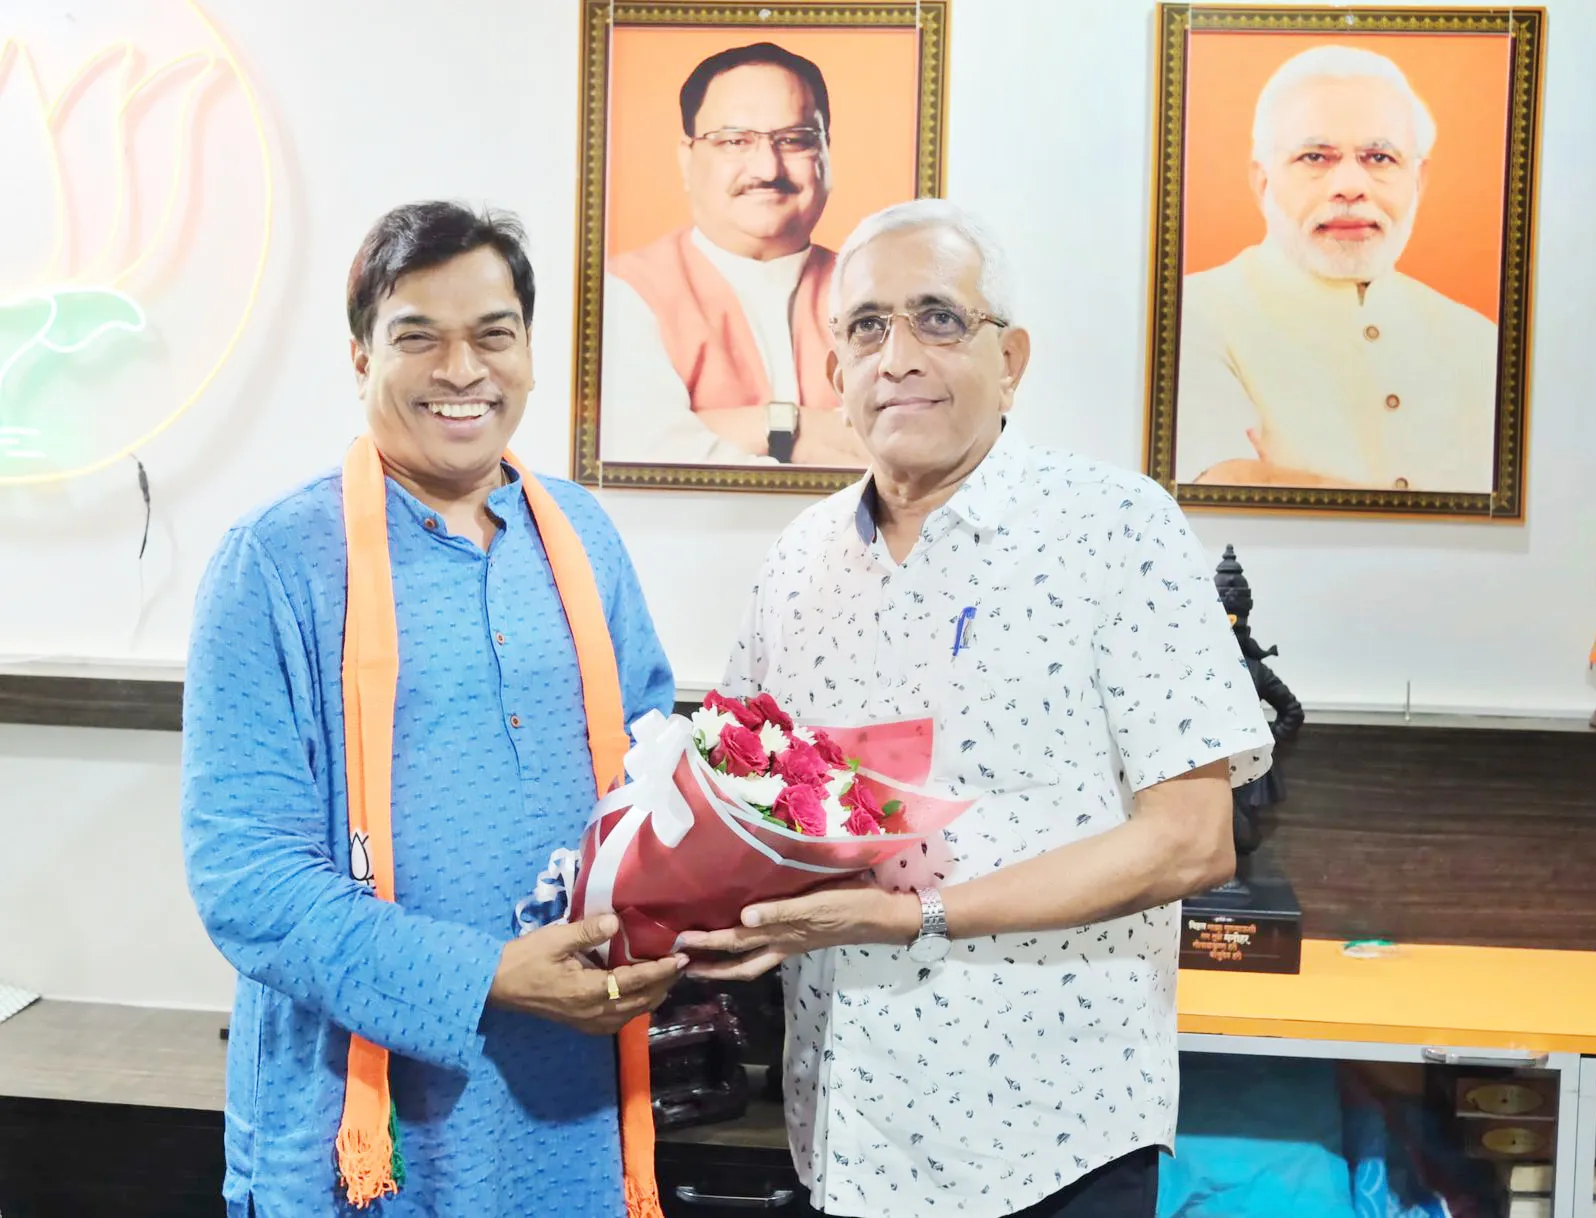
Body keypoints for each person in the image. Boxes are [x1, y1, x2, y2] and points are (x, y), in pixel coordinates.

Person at [679, 199, 1277, 1218]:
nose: (898, 356)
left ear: (1011, 360)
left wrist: (913, 918)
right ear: (833, 371)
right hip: (848, 1133)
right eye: (867, 326)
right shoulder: (799, 561)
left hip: (1053, 1140)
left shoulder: (1115, 528)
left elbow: (1190, 842)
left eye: (938, 319)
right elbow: (744, 803)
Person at [180, 201, 687, 1218]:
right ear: (361, 356)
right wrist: (485, 977)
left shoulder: (582, 534)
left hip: (569, 1100)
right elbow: (246, 876)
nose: (463, 369)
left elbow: (655, 776)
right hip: (360, 1130)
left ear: (529, 354)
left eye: (493, 334)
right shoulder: (274, 563)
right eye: (419, 337)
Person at [1175, 45, 1497, 493]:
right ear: (1262, 182)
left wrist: (1285, 479)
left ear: (1418, 181)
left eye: (1379, 158)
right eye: (1315, 157)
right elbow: (1220, 484)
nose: (1349, 187)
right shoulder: (1189, 316)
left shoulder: (1481, 344)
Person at [600, 41, 867, 468]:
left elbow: (918, 457)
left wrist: (748, 428)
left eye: (794, 141)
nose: (767, 169)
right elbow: (646, 461)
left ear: (826, 153)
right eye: (735, 141)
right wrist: (809, 433)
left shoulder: (875, 290)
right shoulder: (620, 293)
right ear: (687, 158)